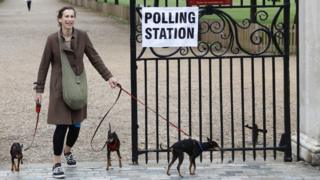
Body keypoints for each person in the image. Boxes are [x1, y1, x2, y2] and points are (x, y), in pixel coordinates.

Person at [34, 6, 118, 178]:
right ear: (59, 19)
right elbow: (43, 66)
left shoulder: (82, 36)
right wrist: (39, 89)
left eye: (72, 16)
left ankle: (67, 150)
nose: (69, 19)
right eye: (66, 16)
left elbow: (95, 58)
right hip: (59, 88)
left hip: (78, 86)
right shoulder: (51, 40)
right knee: (62, 125)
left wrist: (109, 77)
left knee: (76, 125)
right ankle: (56, 163)